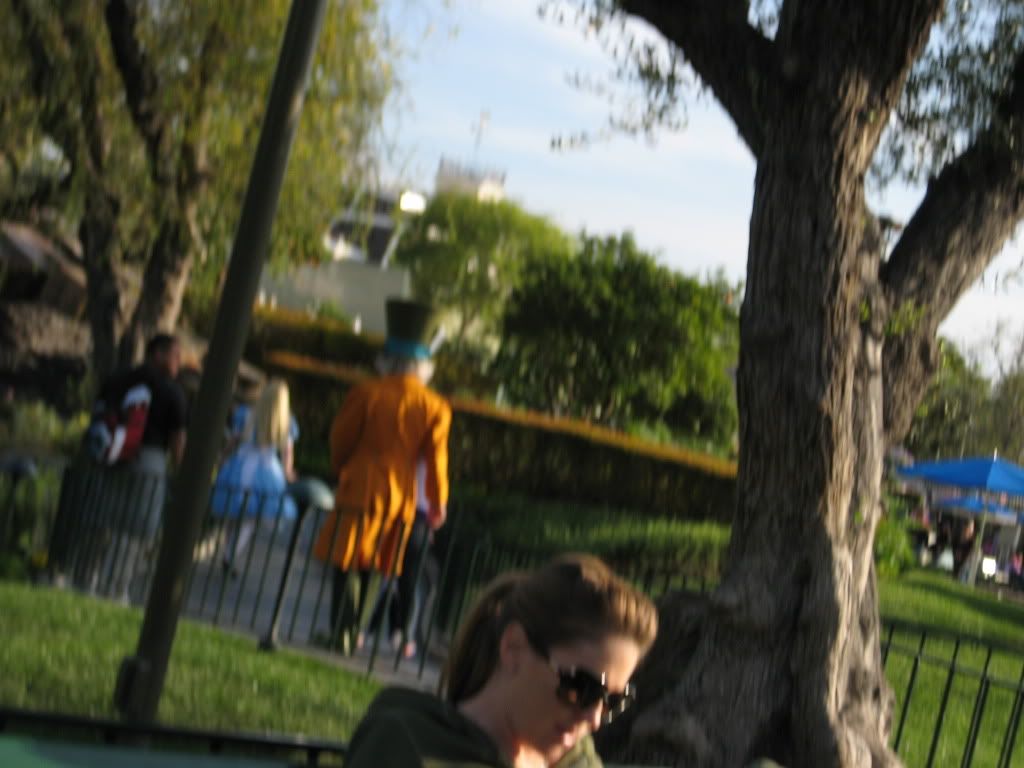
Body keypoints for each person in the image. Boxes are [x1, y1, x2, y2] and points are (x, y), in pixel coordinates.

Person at [343, 553, 659, 768]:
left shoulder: (577, 758)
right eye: (581, 687)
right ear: (514, 648)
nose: (593, 719)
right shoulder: (408, 743)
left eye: (612, 700)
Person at [313, 298, 451, 655]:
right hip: (401, 493)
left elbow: (341, 438)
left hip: (361, 483)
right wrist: (437, 502)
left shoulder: (367, 392)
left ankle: (343, 632)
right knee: (377, 564)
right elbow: (436, 460)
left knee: (347, 561)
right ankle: (352, 633)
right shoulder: (436, 407)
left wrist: (341, 467)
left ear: (388, 359)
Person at [94, 333, 187, 599]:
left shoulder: (118, 378)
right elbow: (177, 437)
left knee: (105, 520)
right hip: (149, 460)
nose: (179, 361)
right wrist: (182, 471)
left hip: (111, 456)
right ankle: (116, 586)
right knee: (138, 528)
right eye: (175, 355)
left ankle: (88, 578)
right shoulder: (171, 391)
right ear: (158, 354)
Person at [210, 379, 298, 571]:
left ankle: (228, 551)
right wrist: (288, 472)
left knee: (233, 513)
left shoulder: (247, 414)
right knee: (250, 518)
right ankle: (230, 555)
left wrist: (222, 458)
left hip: (240, 465)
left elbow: (233, 441)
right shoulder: (286, 422)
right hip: (267, 470)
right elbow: (287, 453)